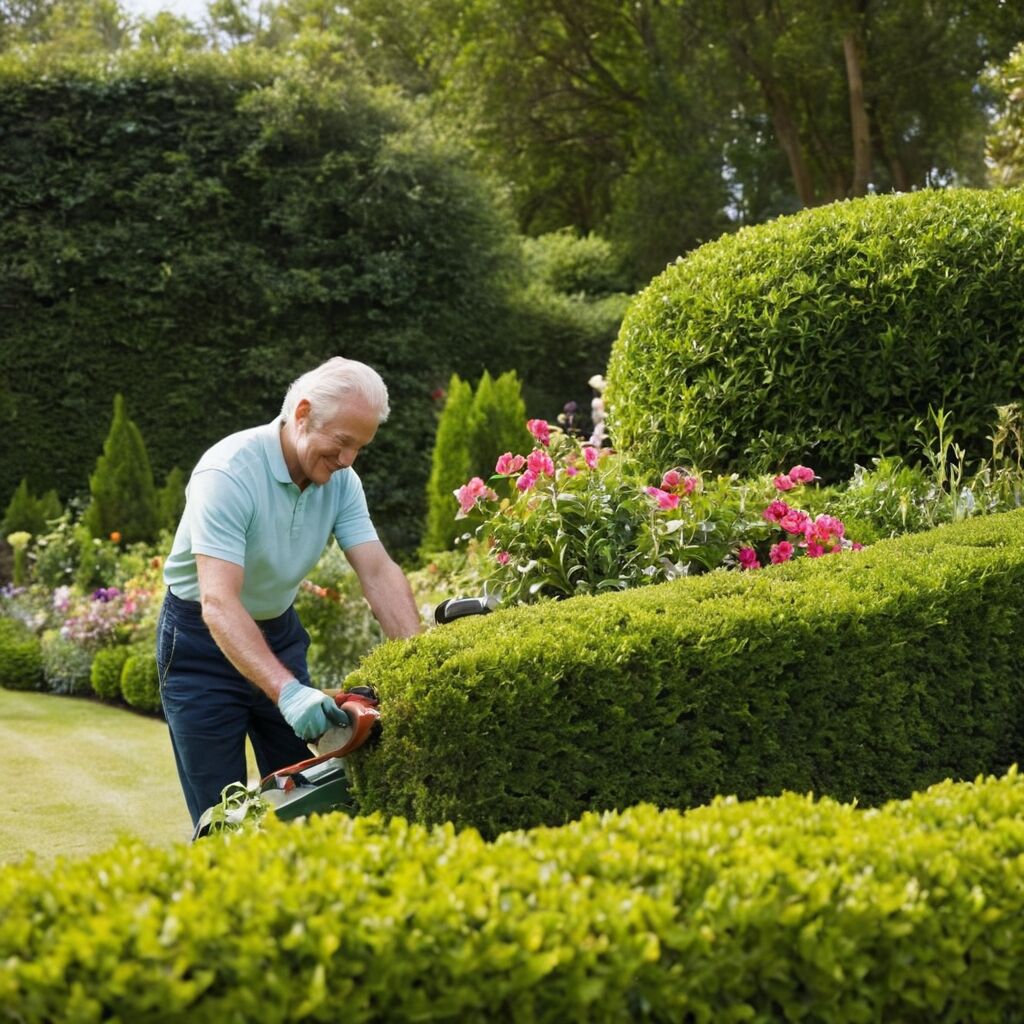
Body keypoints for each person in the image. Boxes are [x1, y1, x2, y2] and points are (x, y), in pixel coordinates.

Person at [157, 356, 421, 828]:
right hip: (199, 645)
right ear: (301, 414)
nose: (347, 460)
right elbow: (218, 601)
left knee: (310, 803)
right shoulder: (228, 473)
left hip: (276, 635)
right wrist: (287, 692)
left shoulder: (342, 483)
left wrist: (419, 665)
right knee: (225, 819)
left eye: (360, 448)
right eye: (341, 443)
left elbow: (377, 572)